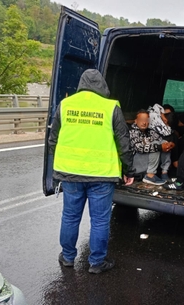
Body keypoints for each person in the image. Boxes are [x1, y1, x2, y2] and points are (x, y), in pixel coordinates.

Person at [48, 69, 135, 275]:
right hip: (102, 174)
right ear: (102, 85)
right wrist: (129, 169)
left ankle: (68, 257)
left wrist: (62, 162)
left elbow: (53, 139)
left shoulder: (65, 105)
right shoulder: (111, 107)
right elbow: (124, 141)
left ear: (81, 84)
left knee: (70, 217)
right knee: (100, 220)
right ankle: (96, 262)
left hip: (70, 173)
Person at [129, 109, 173, 185]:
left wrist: (168, 144)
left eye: (146, 120)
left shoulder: (150, 131)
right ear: (136, 121)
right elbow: (139, 148)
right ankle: (150, 175)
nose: (144, 122)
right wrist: (159, 147)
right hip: (136, 164)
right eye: (141, 120)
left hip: (147, 163)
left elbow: (161, 141)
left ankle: (164, 172)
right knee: (156, 144)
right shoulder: (132, 132)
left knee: (164, 143)